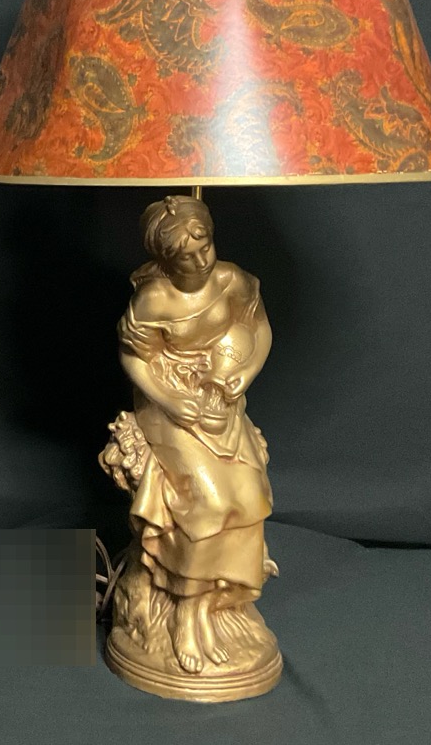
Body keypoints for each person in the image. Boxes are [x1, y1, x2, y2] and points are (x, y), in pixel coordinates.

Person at [111, 194, 275, 674]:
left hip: (218, 397)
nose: (201, 261)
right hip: (167, 401)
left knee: (250, 495)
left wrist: (243, 375)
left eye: (205, 246)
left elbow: (259, 330)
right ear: (166, 259)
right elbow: (134, 357)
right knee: (206, 502)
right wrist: (169, 400)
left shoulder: (232, 281)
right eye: (186, 256)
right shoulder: (154, 299)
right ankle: (184, 612)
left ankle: (211, 605)